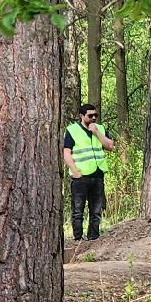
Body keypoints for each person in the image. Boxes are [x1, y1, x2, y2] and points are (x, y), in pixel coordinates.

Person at [63, 103, 113, 241]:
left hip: (98, 174)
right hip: (80, 177)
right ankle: (78, 239)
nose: (93, 118)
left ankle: (93, 238)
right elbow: (66, 153)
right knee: (78, 211)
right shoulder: (72, 130)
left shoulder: (100, 128)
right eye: (90, 115)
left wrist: (97, 133)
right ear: (81, 116)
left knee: (96, 211)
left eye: (95, 115)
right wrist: (75, 171)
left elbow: (110, 146)